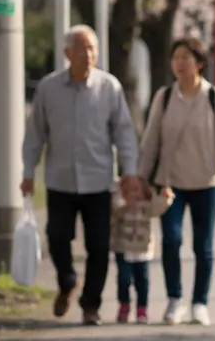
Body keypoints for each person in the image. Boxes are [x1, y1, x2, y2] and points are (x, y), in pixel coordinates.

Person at [21, 25, 140, 325]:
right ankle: (66, 281)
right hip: (60, 180)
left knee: (99, 247)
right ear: (67, 53)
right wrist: (27, 172)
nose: (88, 54)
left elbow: (124, 133)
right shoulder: (48, 88)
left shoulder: (109, 87)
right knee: (57, 239)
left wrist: (130, 172)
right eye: (82, 48)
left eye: (92, 49)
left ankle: (91, 305)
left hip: (99, 181)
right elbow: (35, 134)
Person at [138, 37, 215, 327]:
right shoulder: (165, 96)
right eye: (176, 58)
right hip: (170, 182)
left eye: (186, 57)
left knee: (203, 246)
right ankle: (174, 299)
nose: (179, 63)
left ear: (199, 63)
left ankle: (200, 302)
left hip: (206, 182)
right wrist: (142, 177)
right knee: (171, 240)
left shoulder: (214, 97)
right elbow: (150, 141)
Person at [111, 185, 174, 324]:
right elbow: (115, 206)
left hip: (142, 249)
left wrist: (165, 197)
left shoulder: (147, 206)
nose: (135, 194)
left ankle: (142, 309)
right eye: (131, 190)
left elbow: (158, 207)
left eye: (137, 189)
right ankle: (124, 305)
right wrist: (121, 195)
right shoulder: (122, 206)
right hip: (123, 247)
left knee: (142, 281)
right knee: (124, 279)